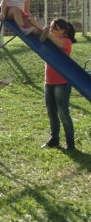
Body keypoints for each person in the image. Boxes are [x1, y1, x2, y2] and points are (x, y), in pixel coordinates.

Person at [41, 18, 77, 151]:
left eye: (55, 28)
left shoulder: (66, 42)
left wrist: (44, 31)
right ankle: (54, 139)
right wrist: (34, 24)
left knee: (63, 113)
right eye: (50, 27)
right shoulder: (49, 39)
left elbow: (59, 43)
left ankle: (70, 144)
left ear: (63, 31)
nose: (51, 30)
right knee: (51, 113)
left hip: (62, 83)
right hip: (48, 82)